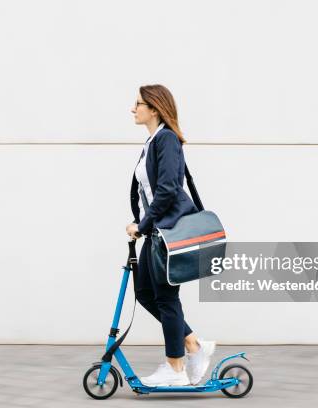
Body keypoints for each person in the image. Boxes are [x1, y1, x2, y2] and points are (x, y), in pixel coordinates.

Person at [125, 84, 215, 387]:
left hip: (167, 230)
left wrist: (143, 224)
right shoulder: (152, 142)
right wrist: (141, 222)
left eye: (138, 104)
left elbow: (167, 190)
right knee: (145, 293)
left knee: (165, 296)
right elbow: (146, 191)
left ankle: (175, 367)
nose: (132, 109)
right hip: (156, 232)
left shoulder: (167, 140)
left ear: (154, 107)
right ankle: (192, 344)